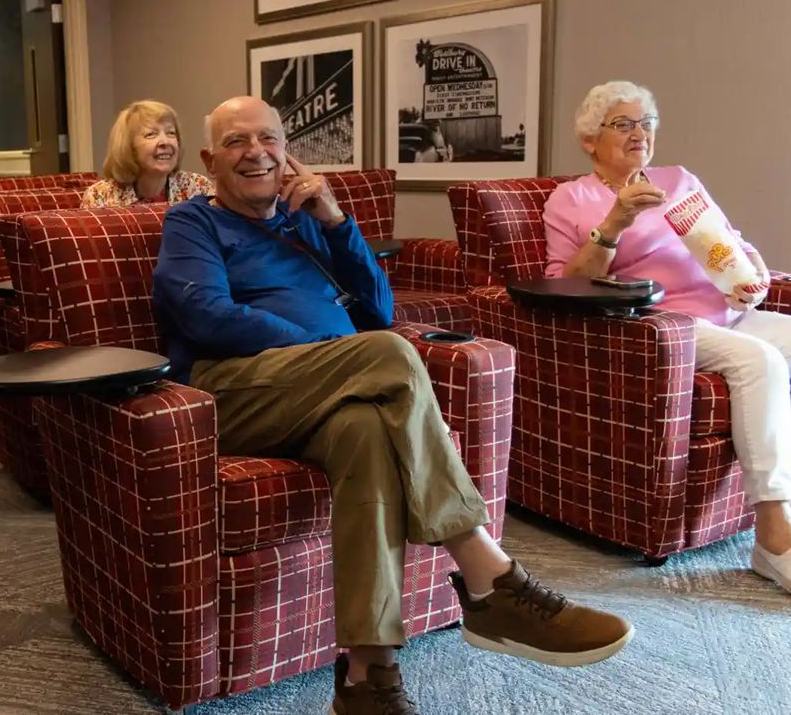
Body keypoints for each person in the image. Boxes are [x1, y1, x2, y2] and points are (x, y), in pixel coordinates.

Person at [152, 96, 632, 715]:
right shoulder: (192, 222)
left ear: (287, 150)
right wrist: (329, 352)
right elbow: (204, 314)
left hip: (328, 389)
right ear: (209, 159)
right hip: (235, 388)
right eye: (236, 141)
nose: (256, 153)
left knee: (367, 432)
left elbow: (378, 309)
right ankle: (487, 574)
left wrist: (334, 220)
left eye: (268, 138)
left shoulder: (304, 221)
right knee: (387, 353)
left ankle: (366, 675)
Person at [544, 80, 791, 593]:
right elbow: (565, 285)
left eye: (646, 122)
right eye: (623, 124)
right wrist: (616, 221)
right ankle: (773, 535)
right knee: (760, 362)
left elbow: (732, 241)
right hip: (666, 325)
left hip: (728, 310)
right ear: (590, 140)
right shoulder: (572, 198)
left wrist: (755, 275)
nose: (640, 133)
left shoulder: (679, 179)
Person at [81, 99, 213, 207]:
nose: (165, 142)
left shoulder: (198, 187)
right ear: (129, 146)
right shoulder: (99, 197)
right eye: (151, 134)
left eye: (171, 133)